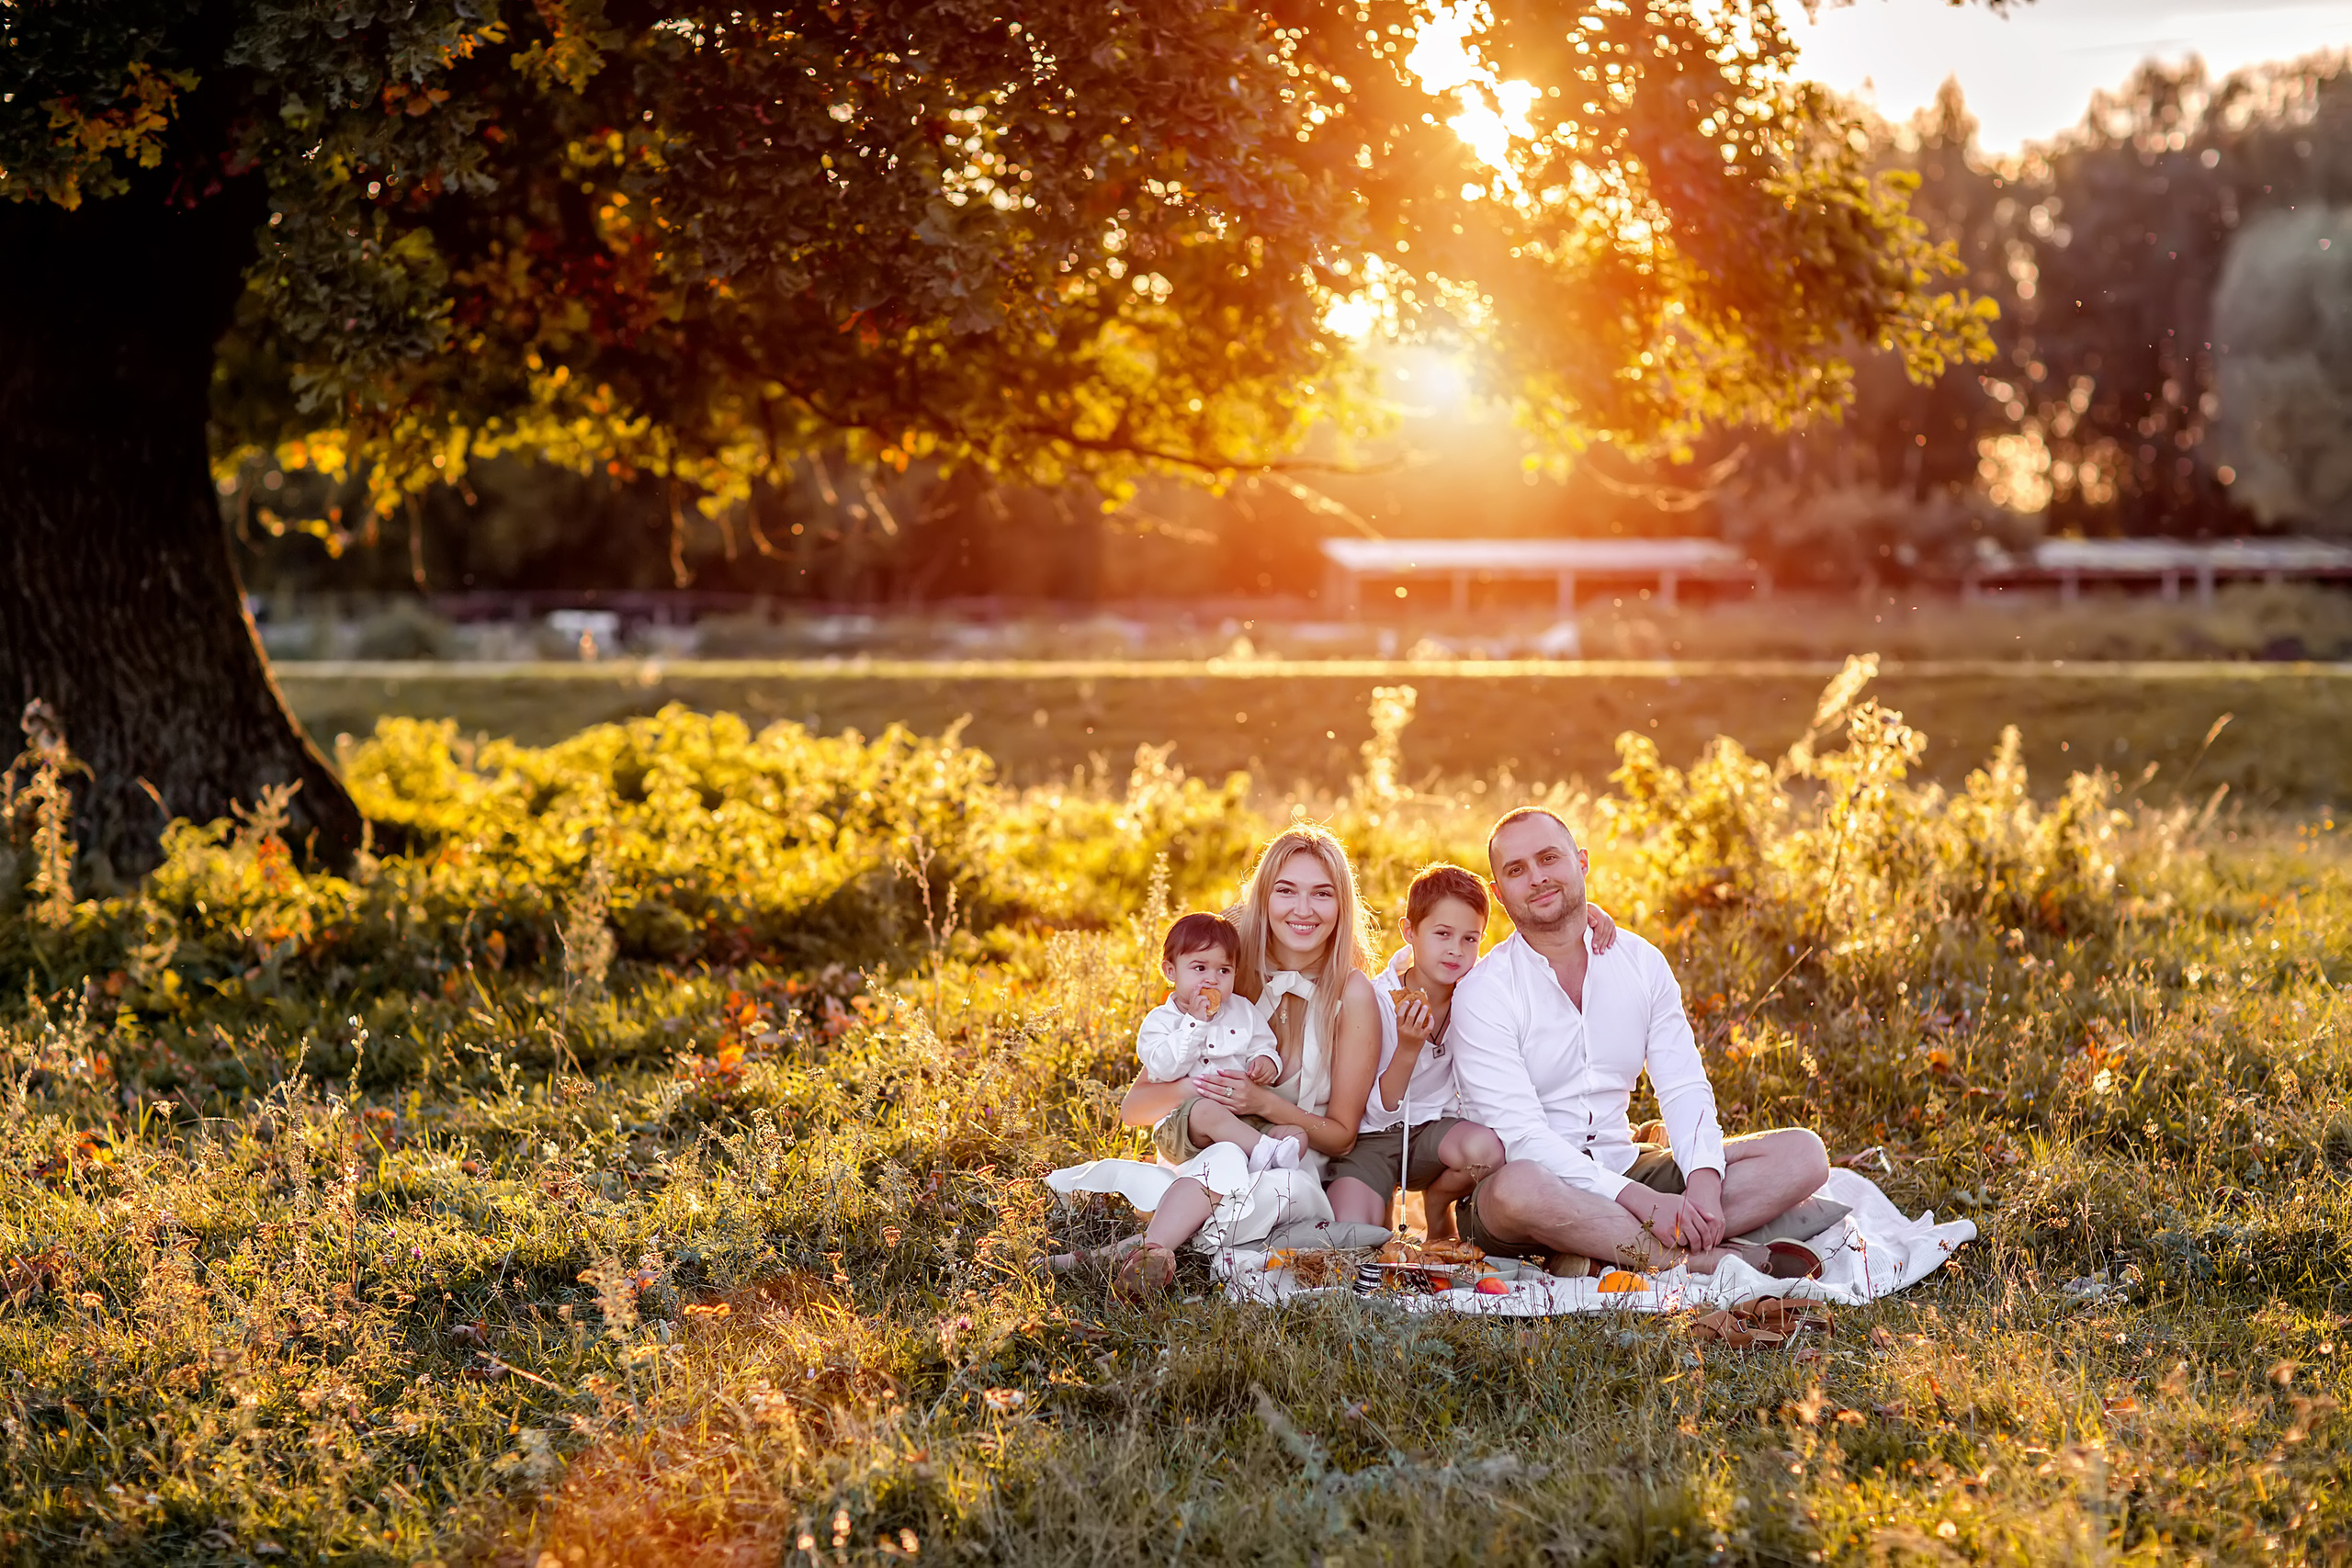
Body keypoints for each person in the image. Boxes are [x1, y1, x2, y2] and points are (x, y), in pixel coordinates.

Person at [1448, 807, 1833, 1276]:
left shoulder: (1640, 961)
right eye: (1516, 870)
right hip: (1529, 1189)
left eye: (1549, 858)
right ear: (1499, 894)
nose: (1537, 878)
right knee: (1518, 1189)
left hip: (1625, 1162)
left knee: (1803, 1155)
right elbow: (1523, 1137)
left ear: (1582, 862)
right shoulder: (1484, 992)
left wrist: (1704, 1184)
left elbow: (1683, 1085)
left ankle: (1603, 1249)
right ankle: (1706, 1259)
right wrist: (1645, 1203)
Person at [1112, 825, 1385, 1292]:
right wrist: (1202, 1095)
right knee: (1217, 1174)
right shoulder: (1223, 972)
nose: (1303, 910)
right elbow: (1136, 1110)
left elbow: (1340, 1137)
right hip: (1200, 1157)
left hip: (1284, 1166)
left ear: (1342, 905)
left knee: (1286, 1191)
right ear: (1264, 896)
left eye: (1322, 894)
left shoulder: (1352, 993)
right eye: (1286, 891)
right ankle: (1160, 1249)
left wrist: (1259, 1101)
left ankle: (1131, 1252)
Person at [1135, 911, 1305, 1174]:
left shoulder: (1243, 1011)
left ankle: (1260, 1156)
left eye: (1223, 970)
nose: (1212, 979)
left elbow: (1263, 1044)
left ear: (1235, 972)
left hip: (1244, 1118)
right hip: (1184, 1125)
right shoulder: (1161, 1022)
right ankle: (1262, 1154)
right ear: (1171, 971)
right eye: (1199, 968)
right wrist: (1195, 1023)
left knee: (1296, 1135)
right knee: (1207, 1111)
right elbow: (1165, 1069)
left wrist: (1265, 1063)